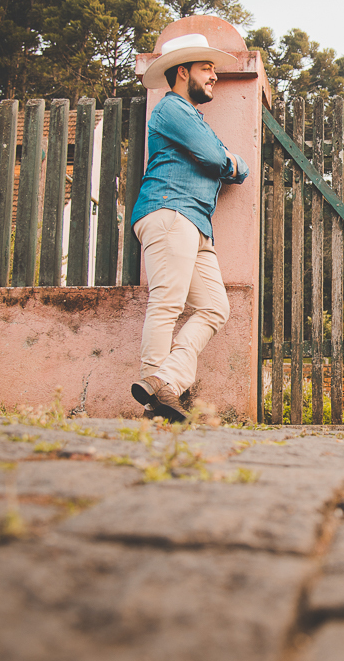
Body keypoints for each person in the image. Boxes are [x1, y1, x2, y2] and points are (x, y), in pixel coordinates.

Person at [130, 32, 249, 422]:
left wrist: (228, 162)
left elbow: (227, 165)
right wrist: (228, 160)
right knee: (166, 303)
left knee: (215, 307)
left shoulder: (191, 117)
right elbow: (216, 158)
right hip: (169, 212)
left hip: (195, 222)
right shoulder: (172, 110)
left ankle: (162, 381)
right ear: (183, 72)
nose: (214, 76)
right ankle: (156, 398)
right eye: (207, 68)